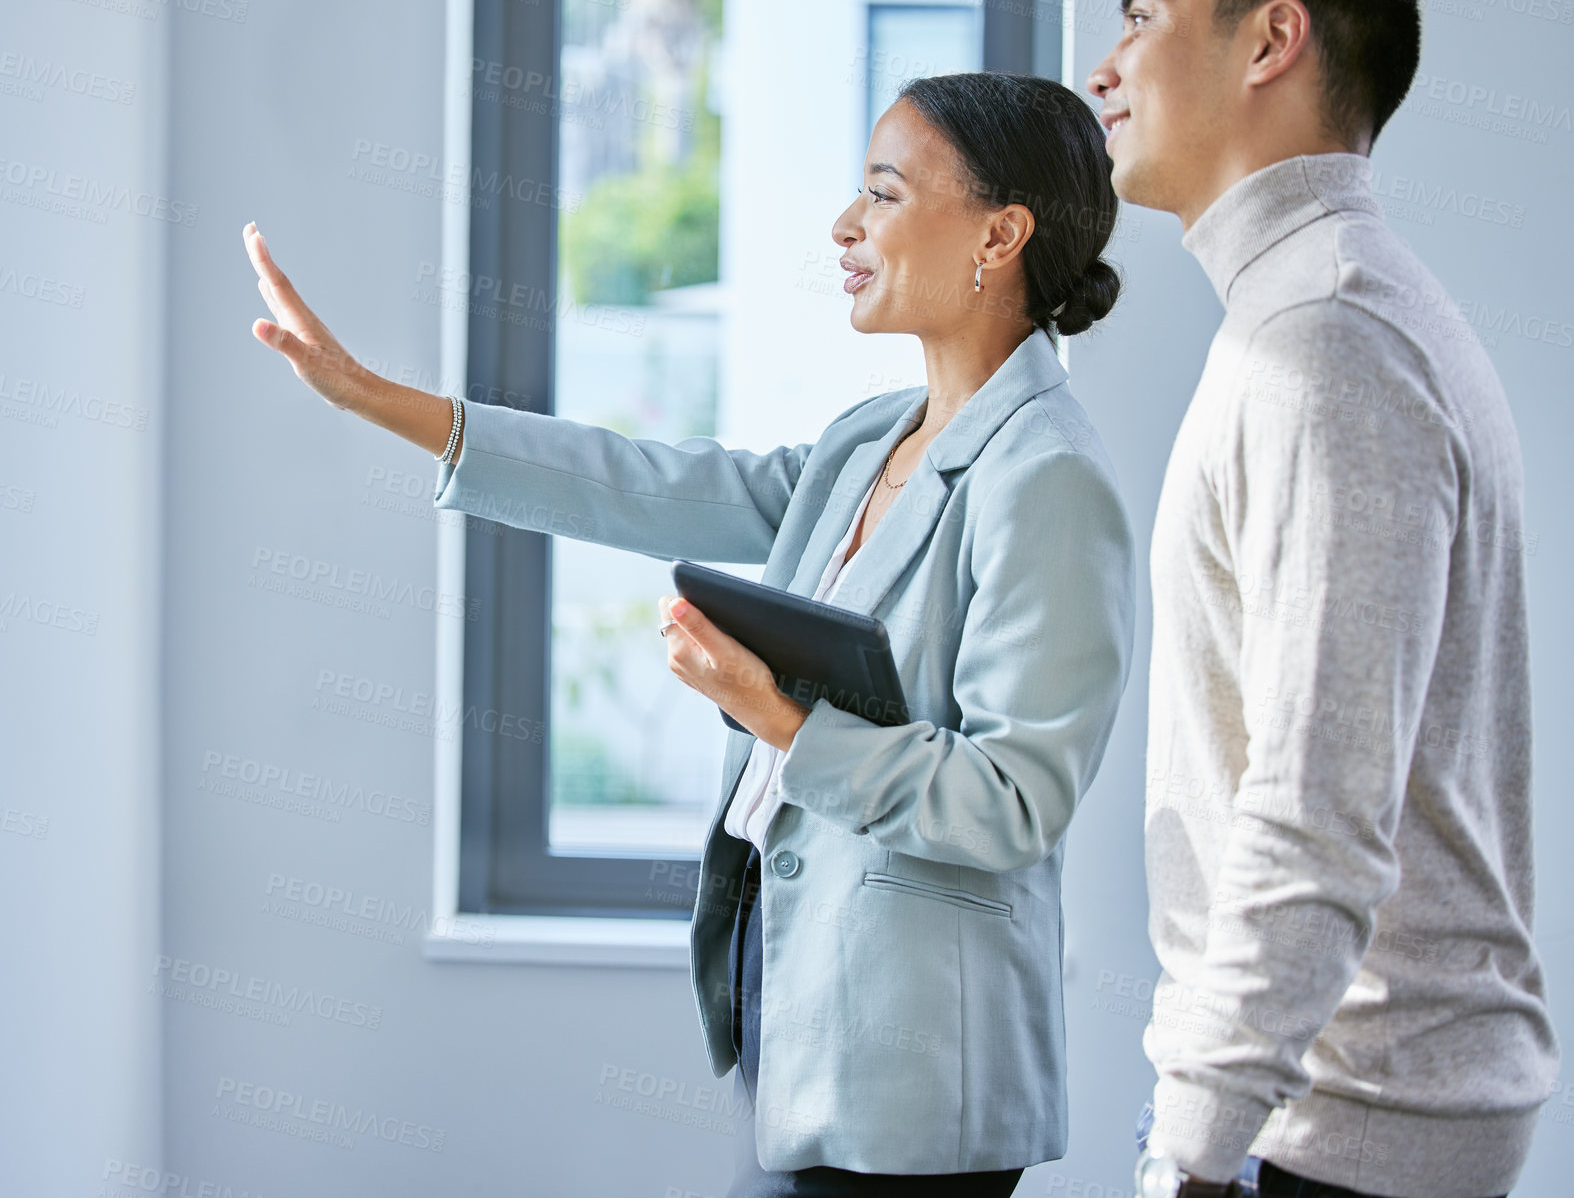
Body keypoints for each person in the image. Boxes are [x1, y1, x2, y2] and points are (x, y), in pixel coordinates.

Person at [243, 70, 1135, 1195]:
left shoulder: (1045, 477)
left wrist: (772, 713)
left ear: (998, 234)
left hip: (921, 1059)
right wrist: (378, 399)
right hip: (798, 995)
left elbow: (1011, 801)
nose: (843, 225)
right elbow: (650, 486)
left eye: (883, 192)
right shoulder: (872, 438)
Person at [1083, 0, 1559, 1197]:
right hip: (1306, 1105)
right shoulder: (1307, 312)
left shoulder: (1326, 341)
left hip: (1339, 1124)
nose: (1103, 66)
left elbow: (1315, 809)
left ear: (1269, 39)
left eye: (1141, 15)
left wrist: (1185, 1151)